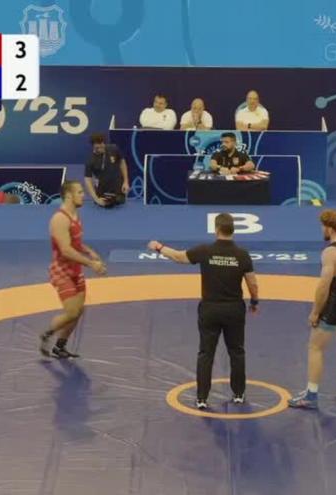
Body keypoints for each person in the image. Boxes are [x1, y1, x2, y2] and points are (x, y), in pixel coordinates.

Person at [148, 213, 260, 409]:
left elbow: (178, 257)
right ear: (233, 230)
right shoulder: (242, 255)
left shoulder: (205, 251)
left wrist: (159, 247)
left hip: (210, 309)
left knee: (206, 353)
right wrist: (254, 301)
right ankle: (239, 394)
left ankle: (201, 398)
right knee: (237, 352)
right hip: (234, 309)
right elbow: (252, 282)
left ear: (216, 230)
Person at [288, 208, 336, 409]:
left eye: (322, 226)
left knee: (315, 348)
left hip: (333, 305)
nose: (322, 230)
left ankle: (311, 396)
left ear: (329, 228)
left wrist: (315, 312)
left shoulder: (331, 252)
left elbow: (323, 287)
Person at [40, 181, 107, 359]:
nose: (83, 195)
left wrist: (89, 251)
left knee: (78, 311)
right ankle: (47, 334)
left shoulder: (75, 215)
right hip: (62, 270)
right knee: (72, 312)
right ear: (69, 195)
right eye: (79, 192)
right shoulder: (59, 219)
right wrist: (91, 264)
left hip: (75, 268)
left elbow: (75, 243)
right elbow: (66, 250)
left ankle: (59, 347)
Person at [85, 133, 129, 207]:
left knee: (119, 202)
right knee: (104, 204)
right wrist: (96, 199)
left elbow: (122, 162)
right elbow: (88, 180)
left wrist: (126, 182)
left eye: (103, 144)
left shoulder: (114, 148)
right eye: (99, 146)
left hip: (117, 187)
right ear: (94, 146)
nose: (102, 148)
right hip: (102, 189)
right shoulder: (90, 160)